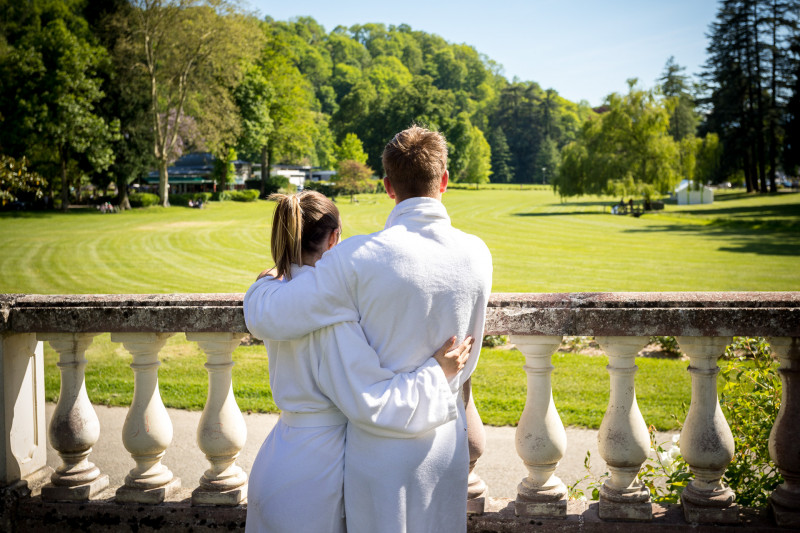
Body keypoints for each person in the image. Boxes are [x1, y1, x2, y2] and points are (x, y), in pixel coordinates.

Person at [244, 125, 493, 533]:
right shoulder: (478, 254)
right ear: (445, 181)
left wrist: (264, 284)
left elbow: (271, 314)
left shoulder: (356, 259)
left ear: (388, 186)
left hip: (380, 455)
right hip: (448, 444)